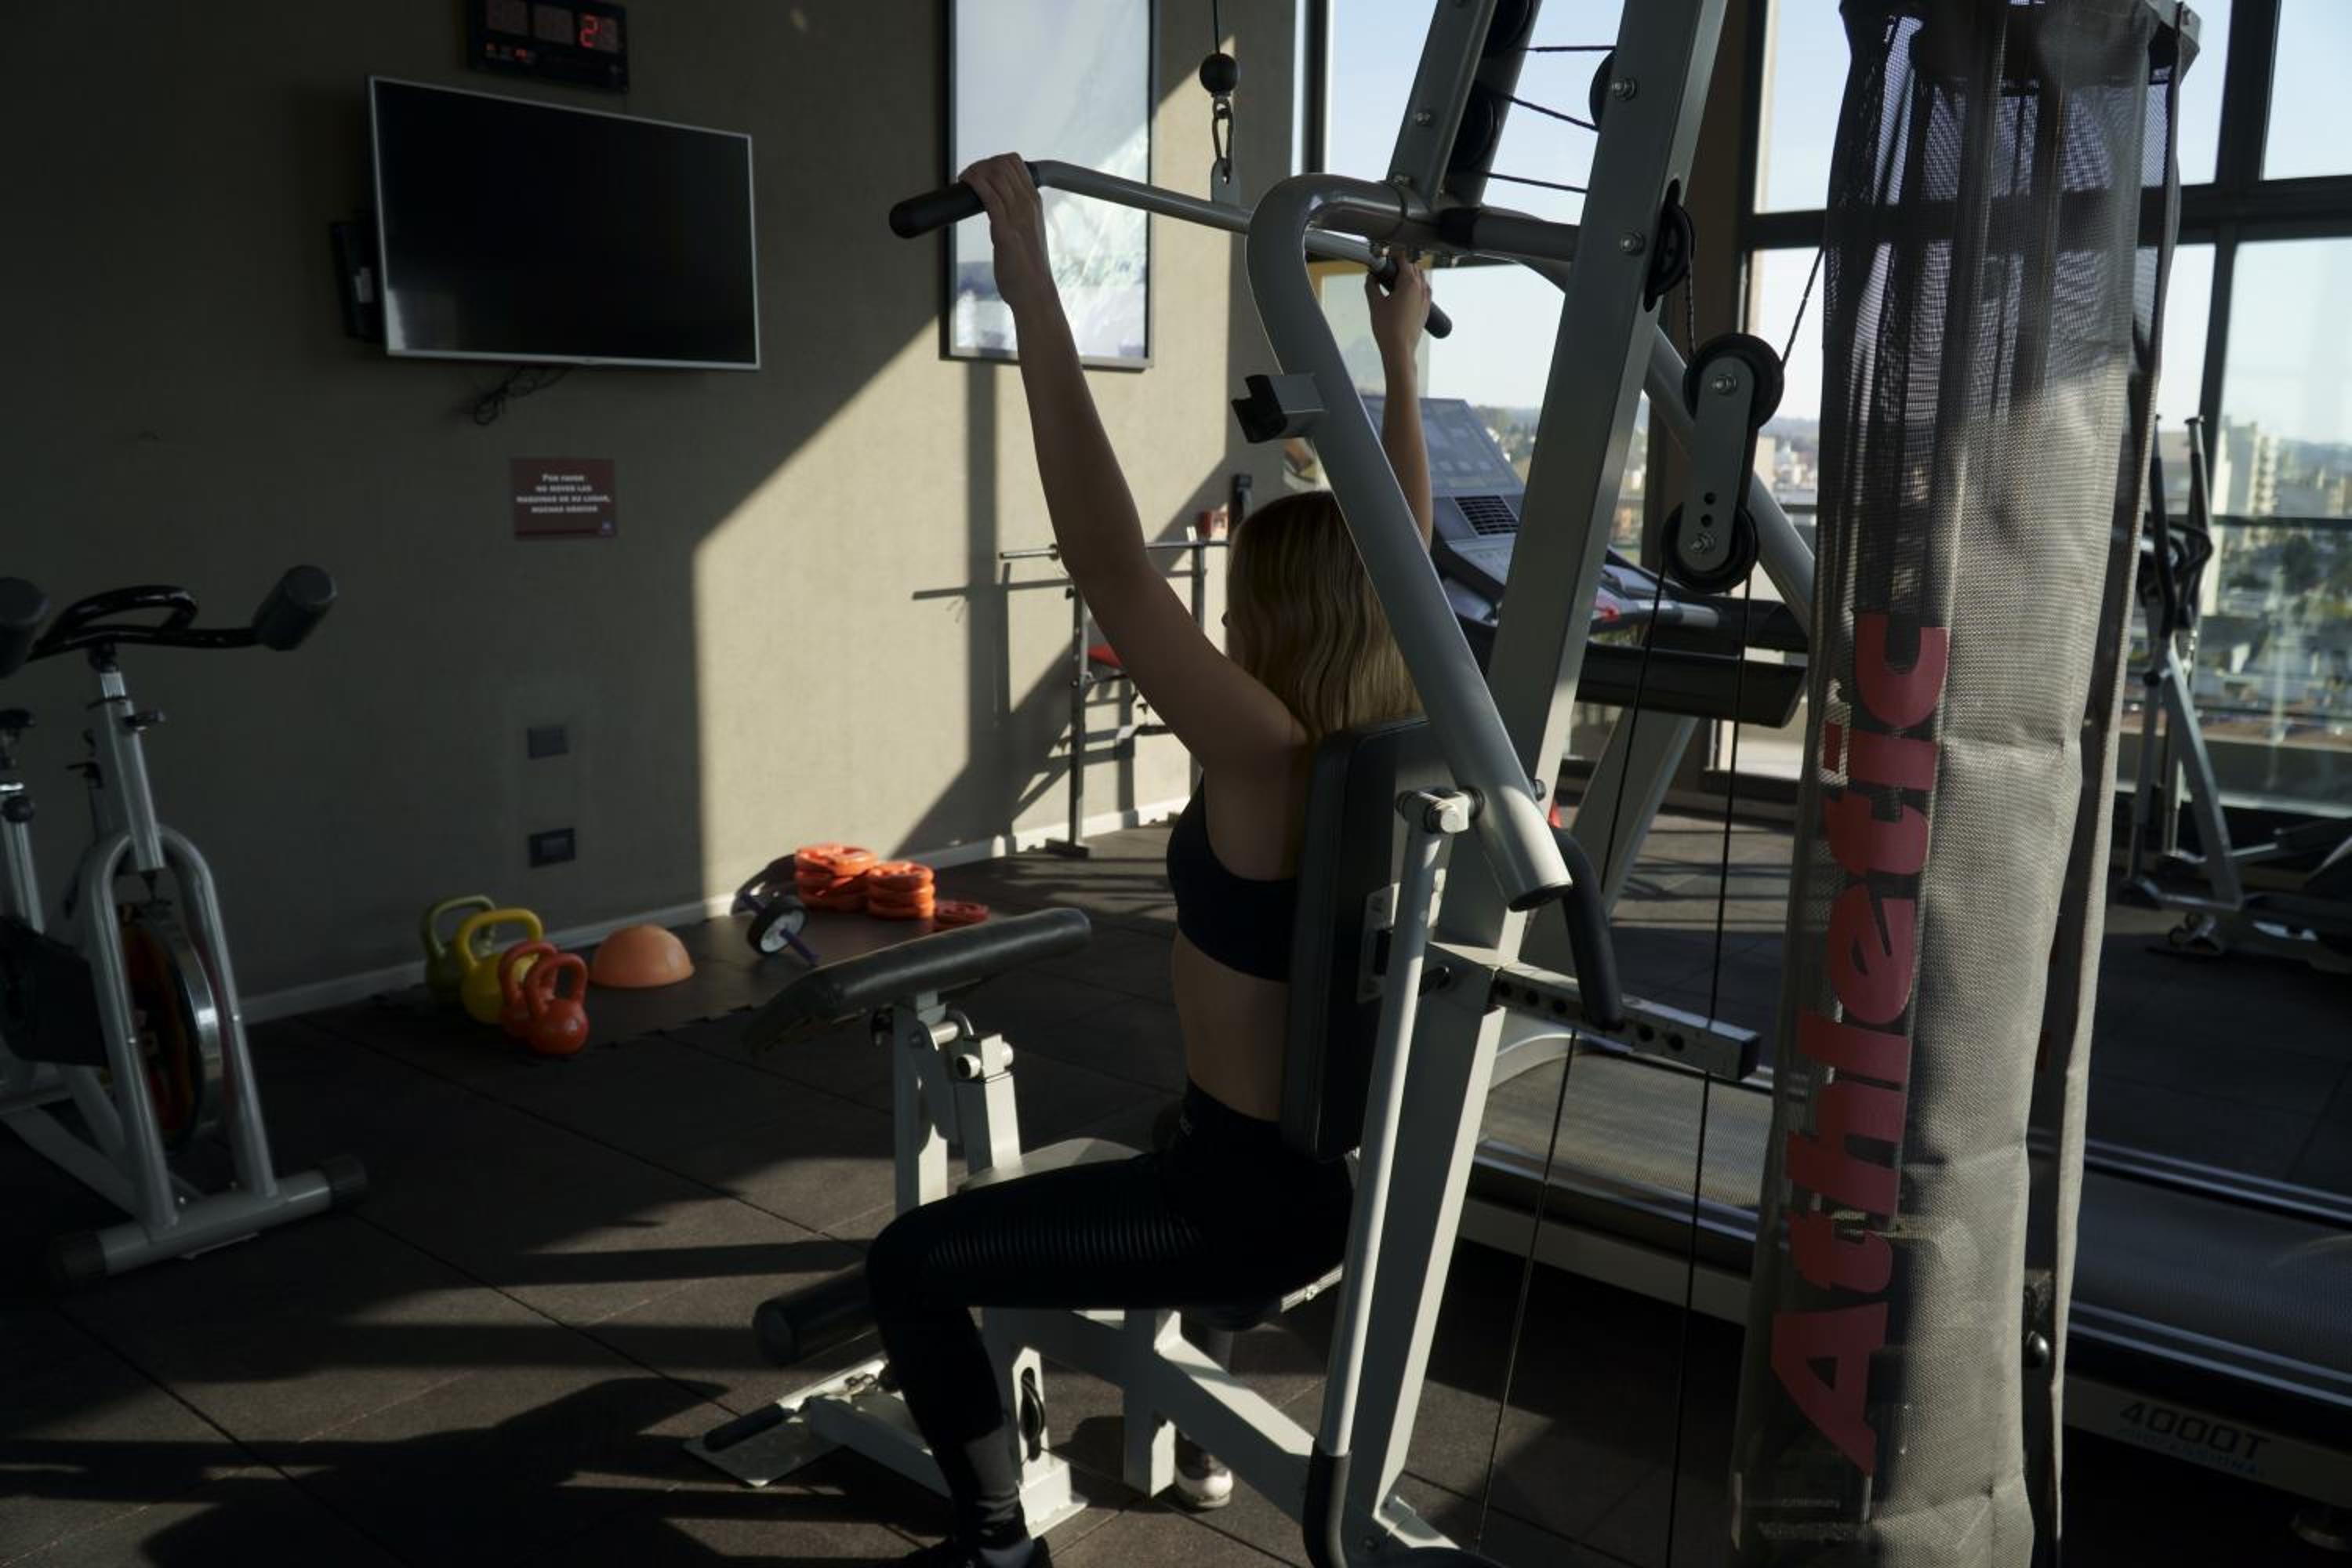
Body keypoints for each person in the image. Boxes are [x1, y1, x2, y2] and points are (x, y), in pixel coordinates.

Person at [866, 154, 1436, 1568]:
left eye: (1239, 604)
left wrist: (1030, 284)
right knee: (1159, 1128)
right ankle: (1189, 1437)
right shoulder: (1396, 733)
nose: (1221, 625)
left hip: (1230, 1210)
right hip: (1325, 1175)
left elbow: (1110, 564)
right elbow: (1405, 551)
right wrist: (1397, 362)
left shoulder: (1265, 756)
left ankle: (995, 1541)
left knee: (912, 1265)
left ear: (1276, 622)